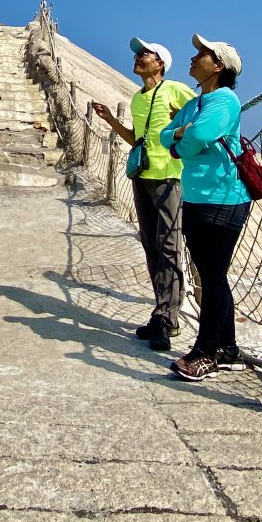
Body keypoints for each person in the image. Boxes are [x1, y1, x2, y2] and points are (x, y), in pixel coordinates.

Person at [92, 38, 195, 352]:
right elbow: (136, 138)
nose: (137, 57)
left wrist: (181, 133)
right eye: (137, 54)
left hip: (169, 178)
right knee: (151, 245)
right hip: (142, 177)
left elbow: (200, 116)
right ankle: (162, 312)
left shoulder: (175, 90)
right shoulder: (137, 98)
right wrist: (110, 120)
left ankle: (167, 318)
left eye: (144, 54)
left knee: (169, 245)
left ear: (160, 63)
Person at [160, 34, 250, 382]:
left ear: (219, 66)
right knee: (213, 275)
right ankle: (228, 350)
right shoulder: (198, 103)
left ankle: (206, 353)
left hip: (223, 199)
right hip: (198, 198)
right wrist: (182, 134)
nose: (194, 57)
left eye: (203, 54)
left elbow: (194, 139)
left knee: (211, 276)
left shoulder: (224, 100)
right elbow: (167, 135)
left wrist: (182, 141)